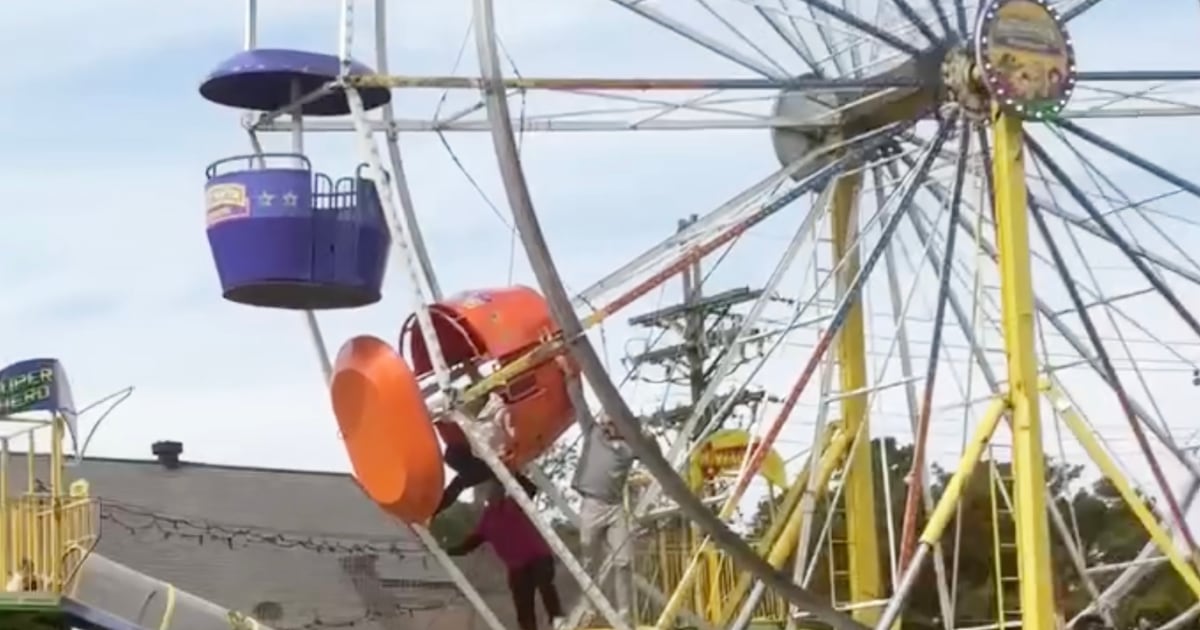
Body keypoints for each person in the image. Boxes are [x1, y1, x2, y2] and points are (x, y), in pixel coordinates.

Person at [446, 481, 565, 630]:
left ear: (502, 492)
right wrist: (448, 551)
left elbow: (530, 488)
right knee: (523, 604)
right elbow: (470, 543)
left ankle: (558, 619)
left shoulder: (513, 503)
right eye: (490, 492)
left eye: (497, 490)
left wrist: (513, 472)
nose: (493, 494)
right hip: (516, 567)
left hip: (538, 558)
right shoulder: (487, 519)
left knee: (545, 585)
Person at [569, 379, 636, 623]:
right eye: (605, 421)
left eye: (611, 423)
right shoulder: (593, 434)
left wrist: (646, 436)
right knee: (587, 557)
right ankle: (588, 603)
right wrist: (571, 378)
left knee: (624, 560)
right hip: (592, 504)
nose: (606, 427)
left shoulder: (630, 447)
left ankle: (625, 611)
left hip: (615, 507)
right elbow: (580, 405)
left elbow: (652, 451)